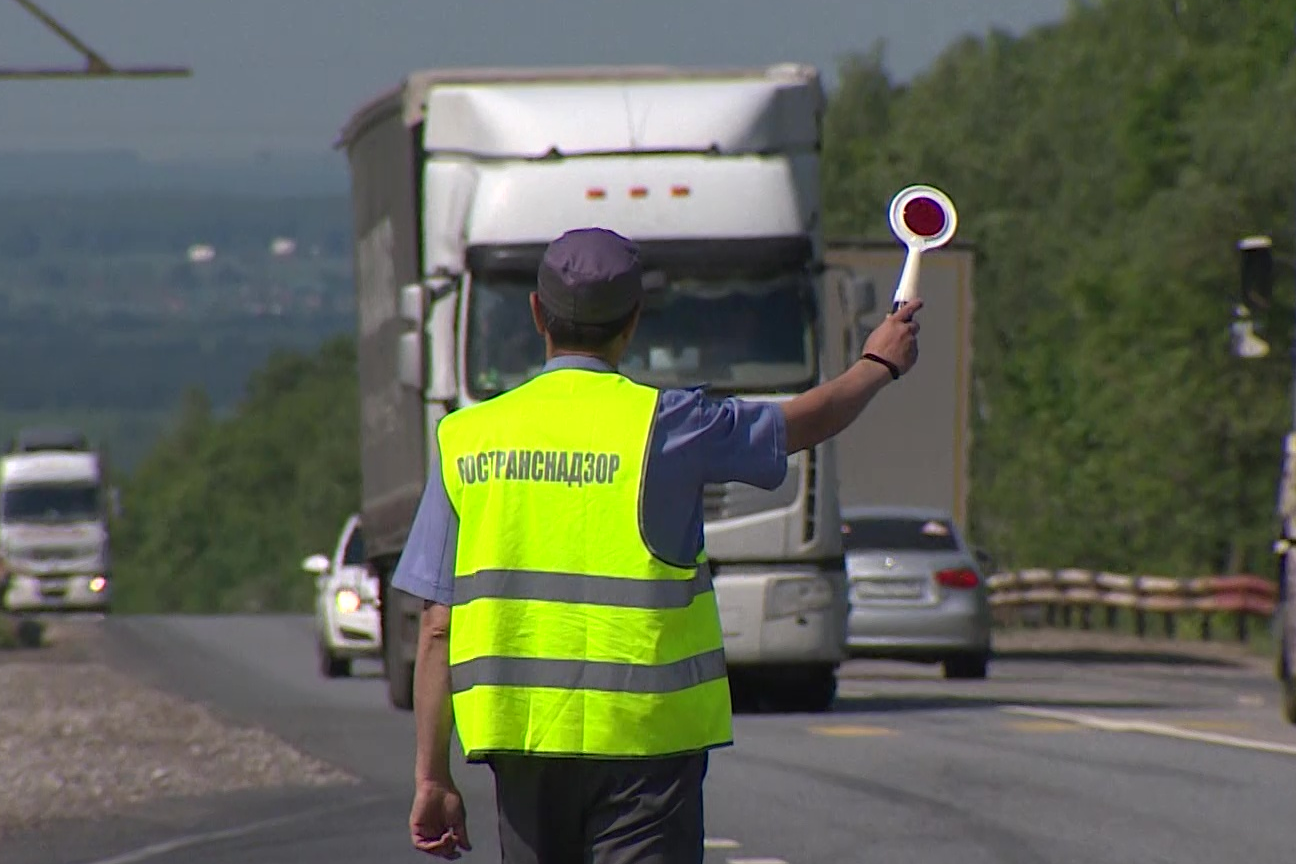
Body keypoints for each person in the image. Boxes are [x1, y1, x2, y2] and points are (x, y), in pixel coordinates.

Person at [391, 226, 922, 863]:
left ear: (536, 313)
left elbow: (438, 626)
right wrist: (877, 366)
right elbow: (802, 423)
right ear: (634, 319)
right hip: (648, 750)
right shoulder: (670, 425)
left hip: (523, 745)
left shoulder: (466, 438)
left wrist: (432, 777)